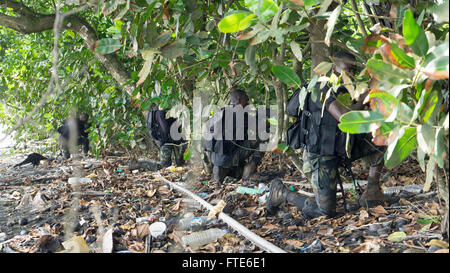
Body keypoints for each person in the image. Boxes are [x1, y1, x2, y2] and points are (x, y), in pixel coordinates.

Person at [267, 51, 386, 219]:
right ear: (334, 69)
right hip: (322, 155)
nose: (351, 74)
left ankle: (372, 190)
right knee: (325, 212)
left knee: (384, 138)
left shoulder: (348, 89)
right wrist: (365, 97)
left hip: (343, 148)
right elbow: (345, 116)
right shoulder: (320, 89)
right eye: (348, 70)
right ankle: (281, 194)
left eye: (354, 70)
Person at [203, 89, 265, 183]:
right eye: (246, 100)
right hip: (230, 158)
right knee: (263, 136)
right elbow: (258, 128)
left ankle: (233, 170)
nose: (248, 103)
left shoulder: (221, 112)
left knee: (217, 183)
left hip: (216, 159)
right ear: (240, 100)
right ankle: (249, 172)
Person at [129, 104, 187, 172]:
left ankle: (139, 163)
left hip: (166, 140)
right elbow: (165, 129)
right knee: (164, 166)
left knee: (179, 163)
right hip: (167, 141)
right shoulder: (160, 113)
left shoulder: (156, 111)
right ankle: (139, 163)